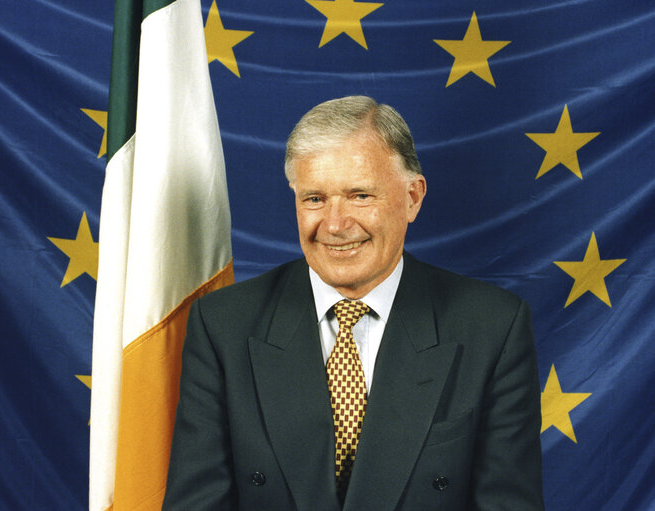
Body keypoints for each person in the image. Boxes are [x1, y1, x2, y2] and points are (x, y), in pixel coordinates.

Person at [163, 96, 544, 510]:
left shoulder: (492, 327)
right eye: (314, 199)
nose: (335, 224)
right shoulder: (224, 326)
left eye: (360, 196)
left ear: (413, 197)